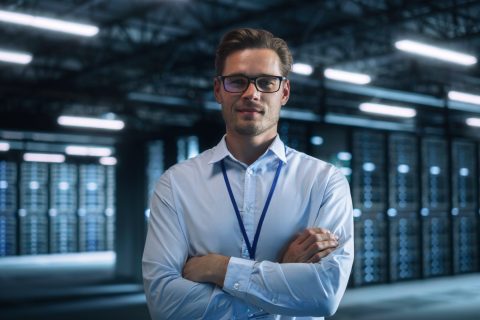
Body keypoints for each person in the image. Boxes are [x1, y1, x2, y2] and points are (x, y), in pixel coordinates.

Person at [142, 28, 354, 320]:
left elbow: (324, 296)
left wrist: (220, 269)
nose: (251, 93)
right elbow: (164, 304)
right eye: (237, 82)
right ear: (218, 90)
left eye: (266, 82)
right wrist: (280, 275)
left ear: (285, 92)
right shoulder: (176, 184)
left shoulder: (325, 182)